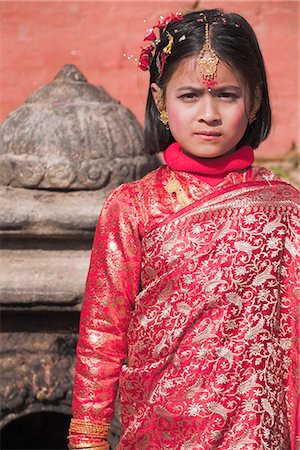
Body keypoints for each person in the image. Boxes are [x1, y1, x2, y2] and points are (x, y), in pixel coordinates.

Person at [68, 9, 299, 450]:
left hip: (257, 435)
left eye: (227, 95)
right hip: (161, 429)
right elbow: (102, 334)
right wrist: (89, 438)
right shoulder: (132, 207)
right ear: (160, 100)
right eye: (189, 96)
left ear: (253, 101)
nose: (208, 114)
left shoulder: (285, 208)